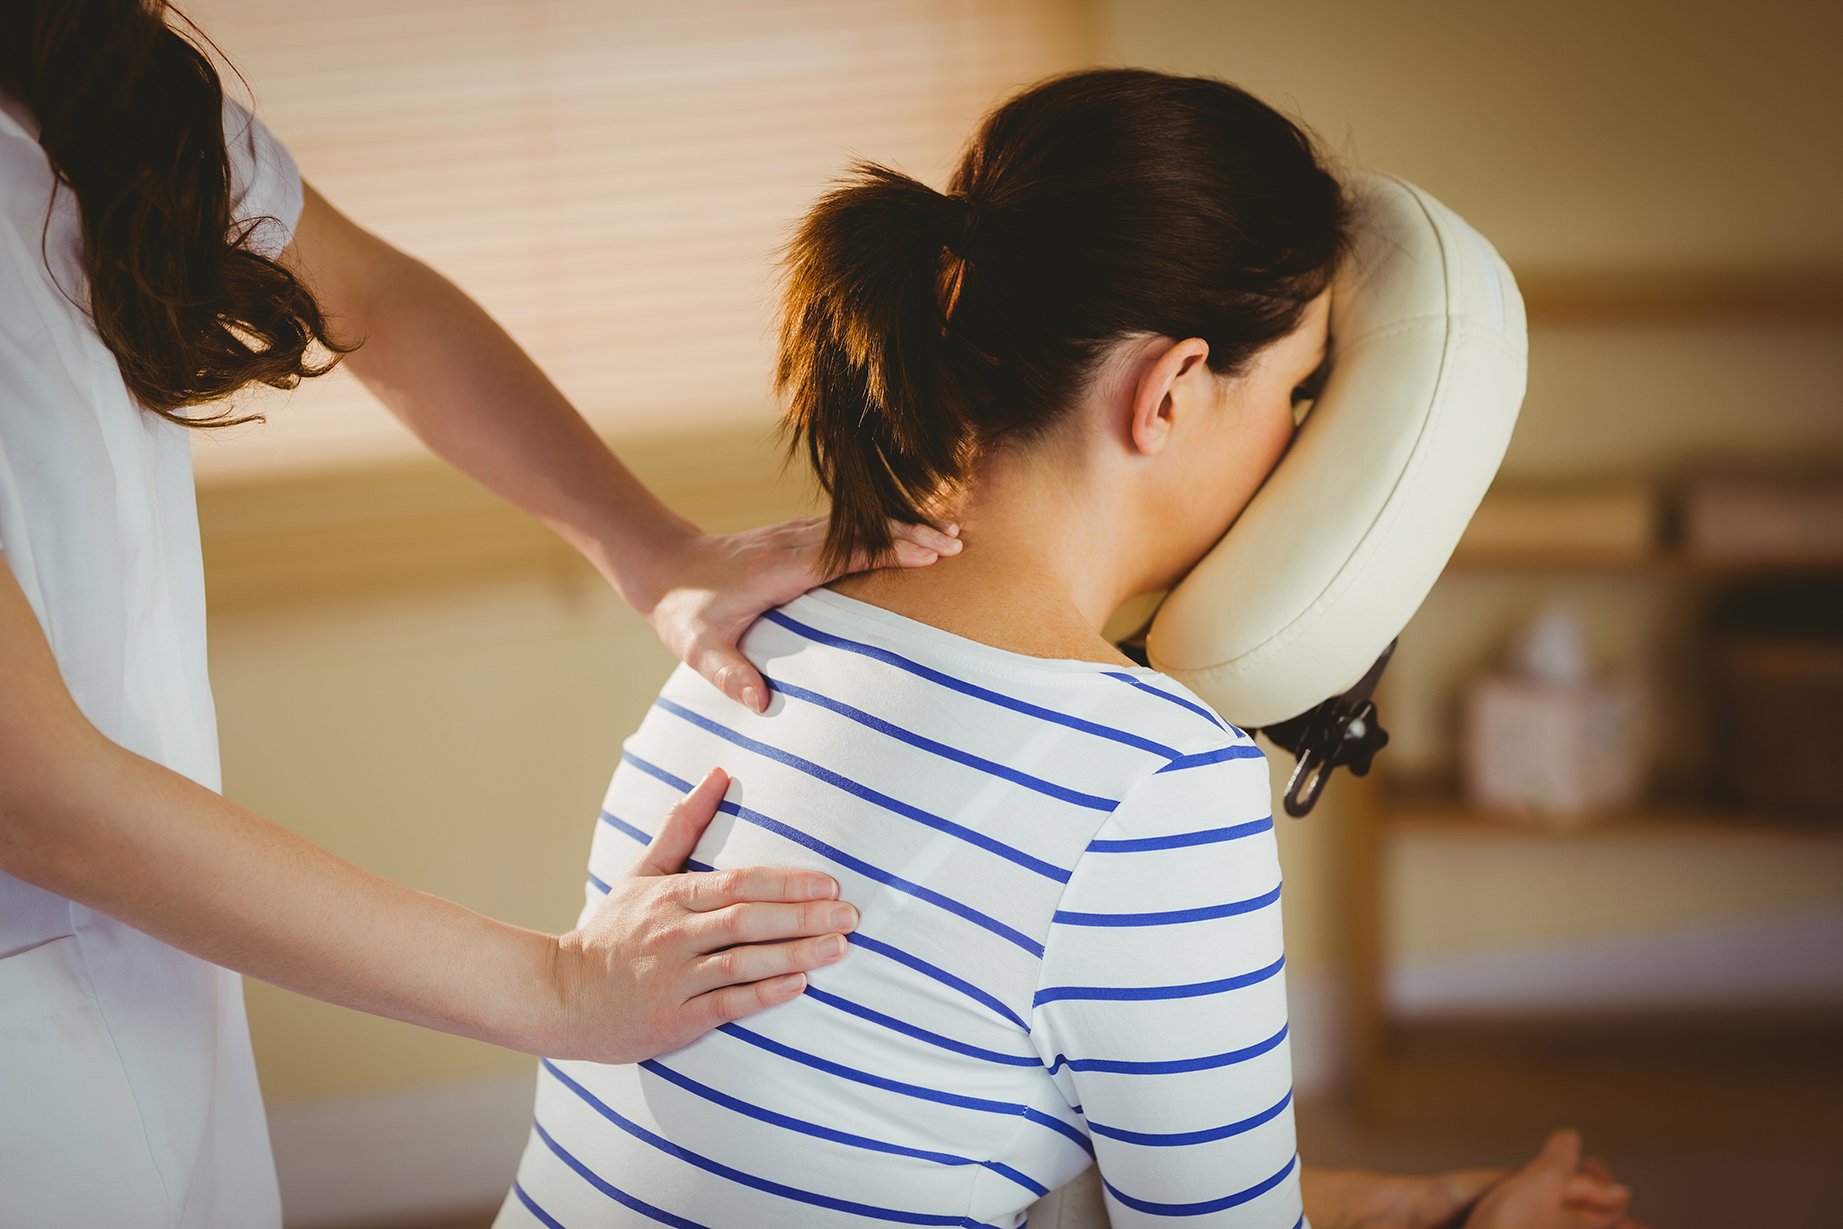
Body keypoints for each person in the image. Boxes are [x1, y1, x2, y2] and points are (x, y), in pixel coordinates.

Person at [496, 68, 1645, 1229]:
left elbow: (944, 1139)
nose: (1294, 445)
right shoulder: (1151, 777)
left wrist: (1420, 1205)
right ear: (1172, 391)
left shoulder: (754, 632)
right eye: (1295, 395)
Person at [0, 3, 960, 1226]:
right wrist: (559, 986)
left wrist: (653, 546)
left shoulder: (98, 87)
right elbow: (33, 791)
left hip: (149, 1001)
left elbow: (376, 296)